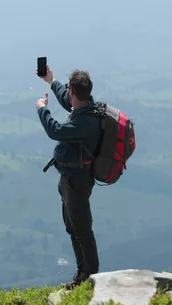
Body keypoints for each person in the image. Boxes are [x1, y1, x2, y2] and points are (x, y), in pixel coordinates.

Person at [35, 64, 102, 289]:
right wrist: (51, 81)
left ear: (74, 92)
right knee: (74, 227)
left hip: (77, 181)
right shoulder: (86, 107)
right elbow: (66, 99)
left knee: (81, 228)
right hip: (70, 179)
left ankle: (89, 276)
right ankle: (83, 273)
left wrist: (42, 109)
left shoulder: (84, 122)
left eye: (69, 91)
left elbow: (56, 131)